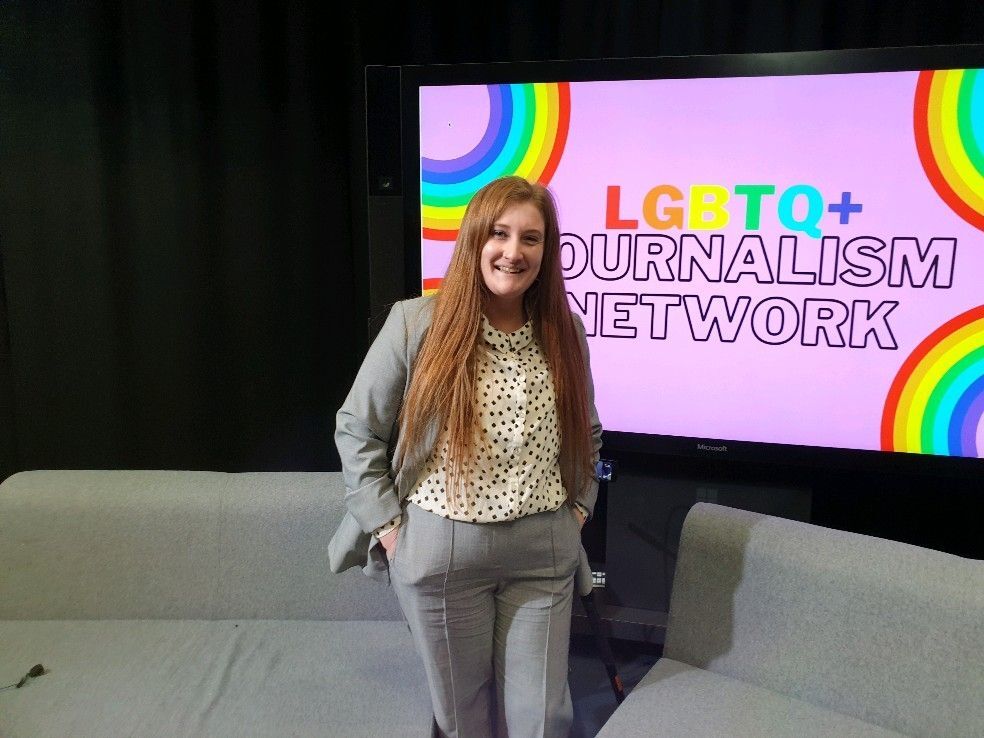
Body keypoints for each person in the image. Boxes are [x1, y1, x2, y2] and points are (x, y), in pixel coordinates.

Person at [328, 175, 603, 738]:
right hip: (442, 549)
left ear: (547, 251)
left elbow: (588, 431)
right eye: (499, 234)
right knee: (462, 718)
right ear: (475, 239)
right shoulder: (417, 323)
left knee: (543, 718)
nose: (513, 251)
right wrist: (387, 527)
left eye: (531, 238)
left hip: (543, 548)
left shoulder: (566, 331)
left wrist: (579, 508)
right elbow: (357, 428)